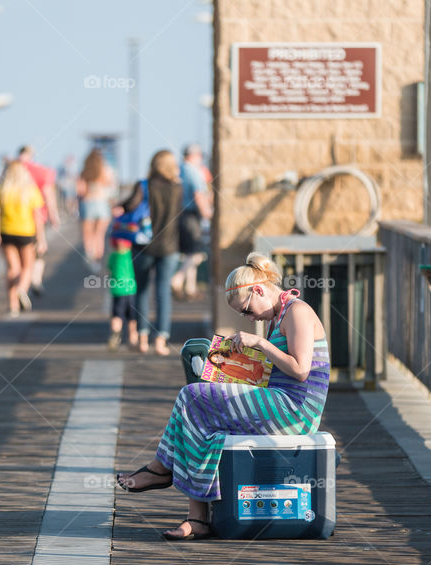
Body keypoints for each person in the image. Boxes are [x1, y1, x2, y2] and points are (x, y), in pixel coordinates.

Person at [116, 253, 330, 540]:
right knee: (200, 417)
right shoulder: (279, 314)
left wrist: (261, 344)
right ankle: (196, 516)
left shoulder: (298, 312)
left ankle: (163, 469)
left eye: (247, 310)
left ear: (258, 290)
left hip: (296, 410)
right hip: (279, 400)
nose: (248, 317)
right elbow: (276, 371)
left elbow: (301, 371)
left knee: (192, 397)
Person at [114, 150, 182, 356]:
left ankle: (142, 339)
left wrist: (120, 207)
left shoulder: (143, 185)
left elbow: (129, 207)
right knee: (163, 293)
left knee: (142, 291)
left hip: (143, 246)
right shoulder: (178, 187)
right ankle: (161, 340)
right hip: (170, 247)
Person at [0, 161, 46, 316]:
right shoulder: (30, 191)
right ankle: (21, 289)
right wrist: (41, 238)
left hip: (5, 231)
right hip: (25, 232)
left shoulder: (2, 190)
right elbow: (37, 217)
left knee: (12, 268)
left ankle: (13, 305)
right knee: (27, 266)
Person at [171, 144, 212, 300]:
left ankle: (190, 288)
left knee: (190, 252)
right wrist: (207, 213)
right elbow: (199, 194)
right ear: (194, 155)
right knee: (196, 253)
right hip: (191, 216)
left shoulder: (180, 169)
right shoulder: (193, 171)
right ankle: (177, 280)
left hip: (181, 215)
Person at [18, 146, 60, 296]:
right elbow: (48, 195)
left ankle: (22, 283)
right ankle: (35, 280)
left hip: (14, 219)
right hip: (37, 216)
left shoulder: (12, 171)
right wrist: (54, 216)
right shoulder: (42, 171)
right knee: (39, 250)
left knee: (20, 253)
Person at [76, 148, 116, 274]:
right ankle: (98, 260)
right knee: (100, 234)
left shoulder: (84, 172)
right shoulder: (105, 170)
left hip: (88, 203)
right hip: (102, 203)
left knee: (88, 234)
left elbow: (80, 190)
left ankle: (90, 257)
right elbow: (111, 187)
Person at [106, 236, 138, 351]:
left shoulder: (113, 256)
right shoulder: (132, 255)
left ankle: (115, 336)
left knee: (117, 316)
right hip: (131, 290)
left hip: (118, 292)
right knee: (132, 318)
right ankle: (133, 339)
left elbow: (109, 268)